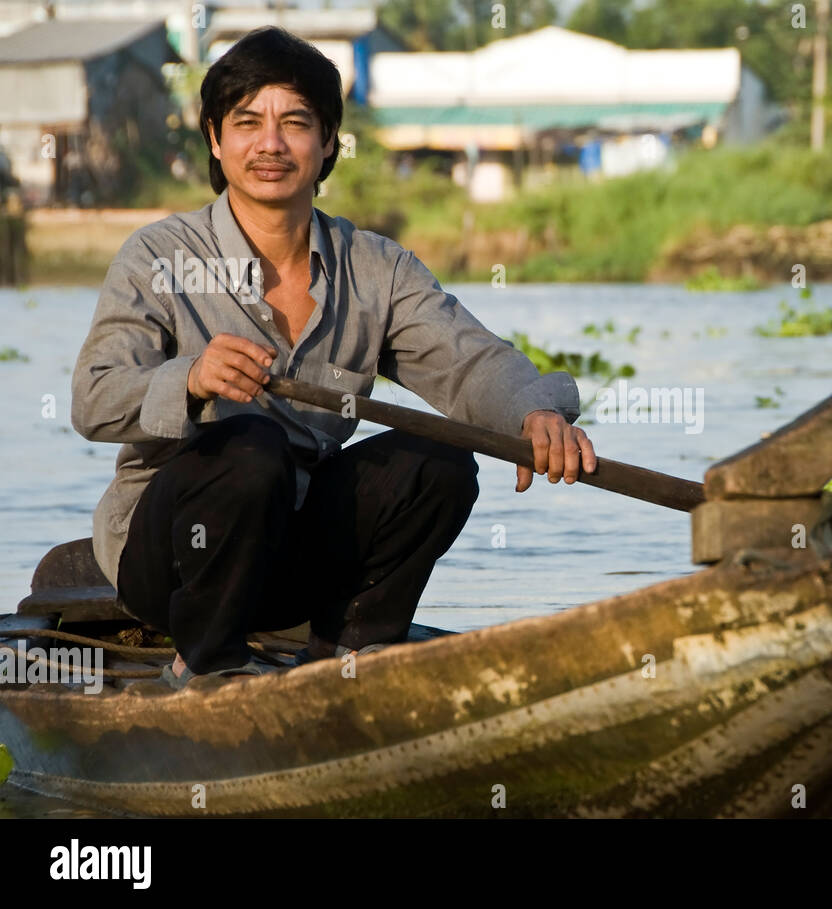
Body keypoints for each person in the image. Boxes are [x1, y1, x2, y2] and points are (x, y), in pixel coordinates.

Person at [70, 27, 595, 687]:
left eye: (295, 122)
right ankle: (205, 661)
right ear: (214, 139)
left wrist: (534, 413)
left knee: (439, 463)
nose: (270, 143)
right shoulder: (158, 257)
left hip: (288, 557)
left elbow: (469, 363)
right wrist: (192, 380)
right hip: (172, 562)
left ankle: (345, 661)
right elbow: (93, 399)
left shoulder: (376, 268)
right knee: (249, 445)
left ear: (327, 143)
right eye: (247, 122)